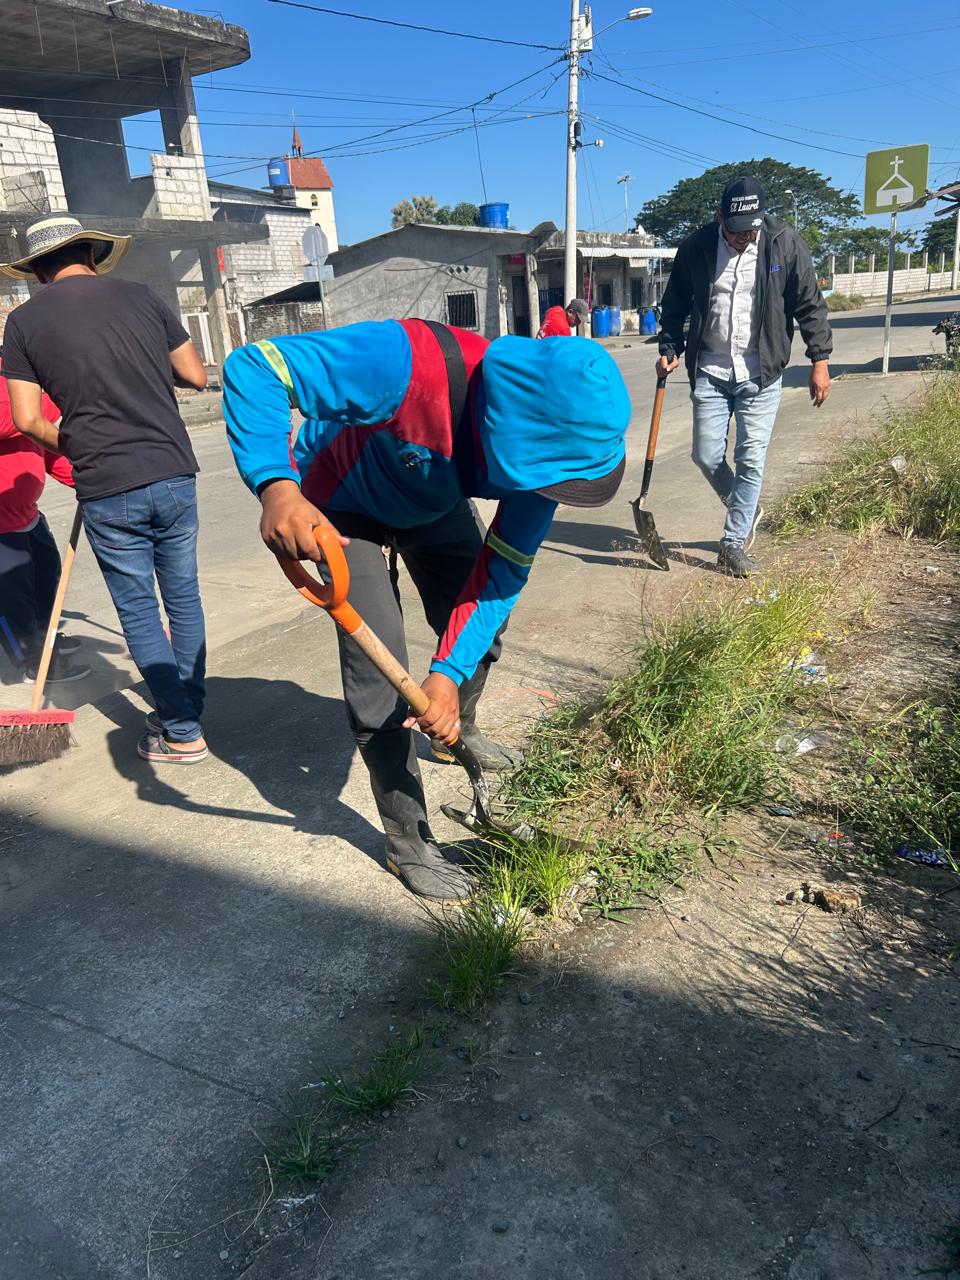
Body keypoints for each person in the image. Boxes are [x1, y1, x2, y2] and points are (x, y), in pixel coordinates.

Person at [222, 319, 630, 899]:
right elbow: (256, 366)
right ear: (511, 429)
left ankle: (453, 730)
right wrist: (277, 486)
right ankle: (408, 841)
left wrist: (445, 676)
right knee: (379, 681)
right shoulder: (408, 362)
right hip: (342, 501)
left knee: (480, 635)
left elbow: (500, 575)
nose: (549, 497)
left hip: (433, 499)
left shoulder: (544, 471)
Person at [1, 215, 210, 762]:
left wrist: (77, 445)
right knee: (183, 598)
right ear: (92, 255)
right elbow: (195, 375)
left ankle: (182, 729)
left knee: (139, 609)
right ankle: (186, 708)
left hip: (106, 482)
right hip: (172, 467)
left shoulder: (22, 323)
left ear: (37, 272)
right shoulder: (142, 296)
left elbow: (27, 419)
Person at [657, 176, 832, 577]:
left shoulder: (784, 243)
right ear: (720, 217)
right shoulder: (698, 247)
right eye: (736, 230)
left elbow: (810, 304)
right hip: (711, 368)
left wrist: (819, 360)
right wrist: (670, 347)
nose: (743, 238)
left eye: (751, 230)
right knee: (705, 455)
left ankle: (732, 543)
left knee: (750, 460)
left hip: (761, 371)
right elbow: (675, 303)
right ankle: (746, 507)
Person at [0, 360, 88, 682]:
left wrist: (81, 477)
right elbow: (12, 420)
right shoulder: (28, 388)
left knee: (47, 577)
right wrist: (62, 398)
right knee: (11, 598)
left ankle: (46, 640)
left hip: (27, 513)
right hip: (1, 522)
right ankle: (32, 659)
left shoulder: (16, 372)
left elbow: (39, 437)